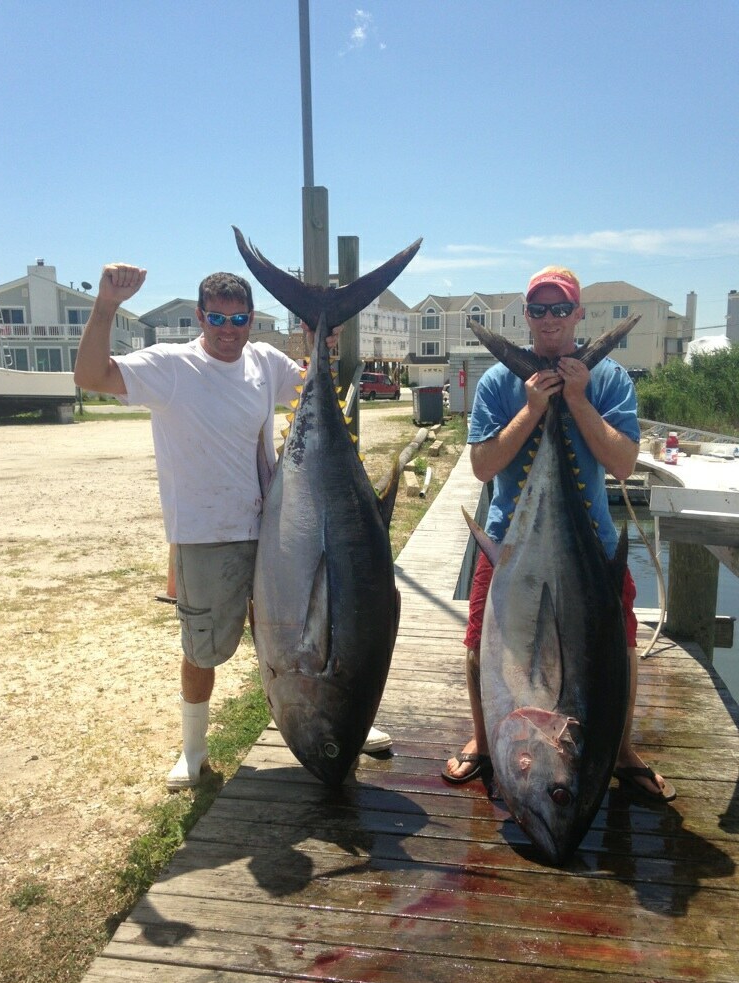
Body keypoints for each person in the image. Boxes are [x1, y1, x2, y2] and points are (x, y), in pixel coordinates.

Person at [74, 263, 392, 791]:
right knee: (203, 647)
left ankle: (341, 711)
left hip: (279, 528)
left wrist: (322, 340)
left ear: (250, 320)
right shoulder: (169, 366)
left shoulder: (264, 362)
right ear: (200, 317)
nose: (229, 329)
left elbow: (314, 385)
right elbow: (90, 377)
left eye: (239, 318)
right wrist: (106, 305)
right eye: (217, 318)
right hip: (207, 534)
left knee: (317, 625)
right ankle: (193, 751)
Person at [443, 265, 676, 802]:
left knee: (619, 644)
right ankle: (483, 741)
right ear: (527, 316)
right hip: (508, 543)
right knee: (480, 645)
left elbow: (622, 463)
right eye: (538, 309)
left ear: (578, 315)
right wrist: (532, 409)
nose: (549, 320)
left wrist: (576, 398)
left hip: (589, 544)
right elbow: (482, 467)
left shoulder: (611, 379)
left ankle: (620, 751)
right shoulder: (500, 382)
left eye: (559, 309)